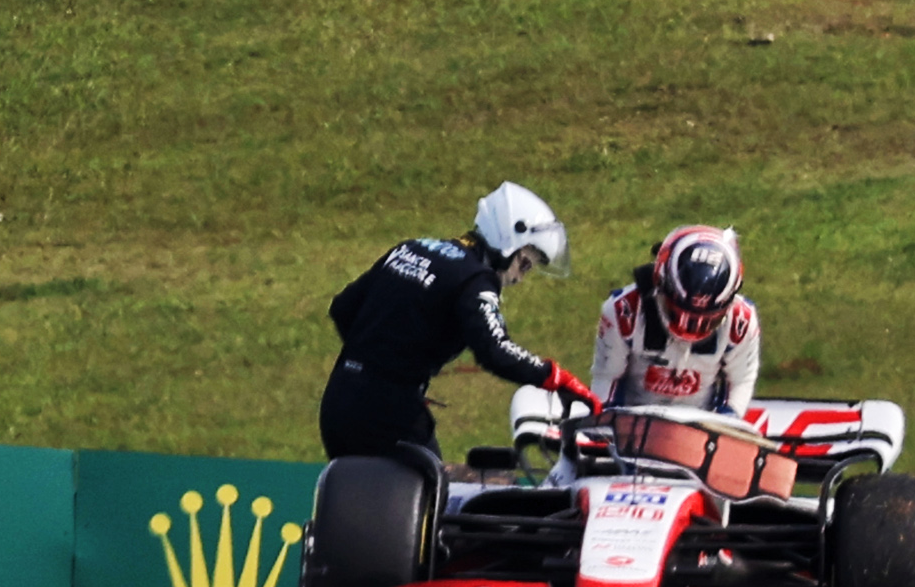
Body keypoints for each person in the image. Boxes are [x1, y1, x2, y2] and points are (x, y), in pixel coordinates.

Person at [321, 183, 586, 487]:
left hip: (339, 400)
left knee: (364, 508)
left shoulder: (411, 248)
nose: (518, 279)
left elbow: (343, 308)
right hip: (390, 415)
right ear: (508, 241)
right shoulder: (475, 278)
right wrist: (555, 377)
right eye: (524, 264)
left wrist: (378, 361)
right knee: (441, 502)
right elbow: (495, 349)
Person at [588, 224, 763, 413]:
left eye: (707, 320)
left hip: (702, 432)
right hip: (630, 426)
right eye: (677, 313)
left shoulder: (741, 321)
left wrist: (730, 418)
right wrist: (606, 426)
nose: (690, 329)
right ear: (660, 284)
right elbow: (606, 378)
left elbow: (741, 380)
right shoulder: (624, 311)